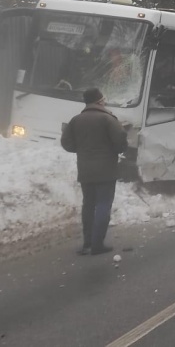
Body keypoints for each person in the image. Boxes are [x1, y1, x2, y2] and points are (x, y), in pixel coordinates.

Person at [61, 87, 127, 255]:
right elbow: (120, 144)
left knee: (88, 205)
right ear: (100, 101)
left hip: (85, 170)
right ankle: (98, 244)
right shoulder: (108, 119)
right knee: (103, 204)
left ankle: (88, 243)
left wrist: (82, 149)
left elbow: (67, 144)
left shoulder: (76, 120)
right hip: (106, 170)